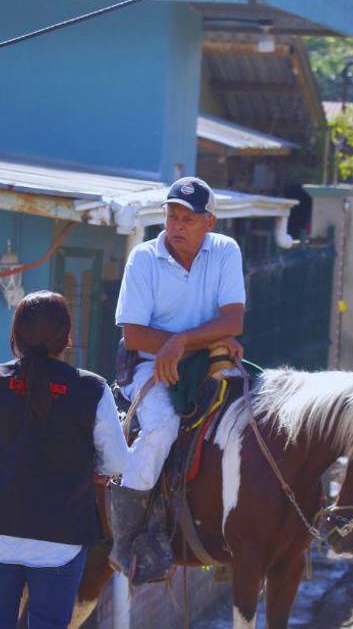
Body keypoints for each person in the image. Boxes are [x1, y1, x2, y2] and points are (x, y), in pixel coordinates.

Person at [0, 291, 125, 629]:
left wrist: (7, 466)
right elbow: (116, 463)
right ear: (68, 338)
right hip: (60, 540)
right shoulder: (91, 389)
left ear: (15, 336)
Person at [108, 176, 245, 582]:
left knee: (248, 420)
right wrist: (177, 347)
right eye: (172, 216)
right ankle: (126, 537)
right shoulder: (143, 259)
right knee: (162, 427)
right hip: (148, 364)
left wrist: (182, 342)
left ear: (209, 223)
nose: (178, 226)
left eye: (188, 218)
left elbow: (234, 318)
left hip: (203, 357)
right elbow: (132, 334)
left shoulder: (225, 251)